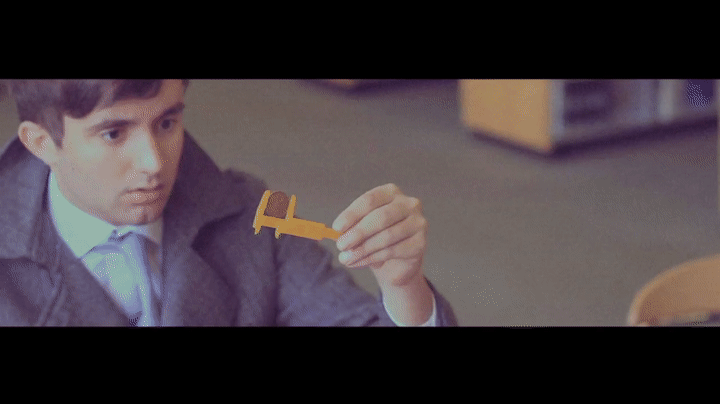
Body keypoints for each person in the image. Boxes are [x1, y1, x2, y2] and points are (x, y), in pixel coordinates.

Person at [0, 79, 458, 326]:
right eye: (114, 133)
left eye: (166, 123)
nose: (153, 163)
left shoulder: (248, 217)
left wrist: (403, 286)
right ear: (41, 142)